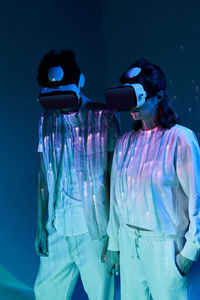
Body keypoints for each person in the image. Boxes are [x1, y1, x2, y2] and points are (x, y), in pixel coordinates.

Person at [105, 59, 200, 300]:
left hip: (165, 247)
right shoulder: (125, 143)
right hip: (129, 246)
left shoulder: (181, 139)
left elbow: (197, 199)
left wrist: (190, 251)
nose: (131, 106)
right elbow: (117, 199)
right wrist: (114, 243)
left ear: (157, 97)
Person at [34, 49, 121, 300]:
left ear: (79, 83)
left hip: (93, 228)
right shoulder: (47, 120)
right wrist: (41, 226)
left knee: (100, 295)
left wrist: (114, 237)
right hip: (58, 226)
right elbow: (43, 175)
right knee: (46, 293)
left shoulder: (103, 115)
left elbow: (115, 179)